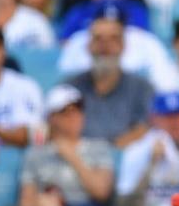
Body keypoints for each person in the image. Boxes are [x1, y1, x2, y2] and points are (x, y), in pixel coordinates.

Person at [19, 85, 114, 206]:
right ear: (51, 117)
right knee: (44, 204)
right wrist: (51, 204)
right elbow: (25, 204)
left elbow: (101, 192)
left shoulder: (99, 148)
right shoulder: (36, 154)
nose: (74, 117)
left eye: (78, 110)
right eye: (65, 112)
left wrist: (73, 158)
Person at [66, 11, 154, 148]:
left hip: (127, 159)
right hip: (78, 159)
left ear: (123, 45)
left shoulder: (142, 88)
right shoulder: (69, 88)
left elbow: (147, 127)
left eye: (113, 38)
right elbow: (59, 129)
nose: (105, 46)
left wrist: (111, 153)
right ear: (88, 46)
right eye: (98, 39)